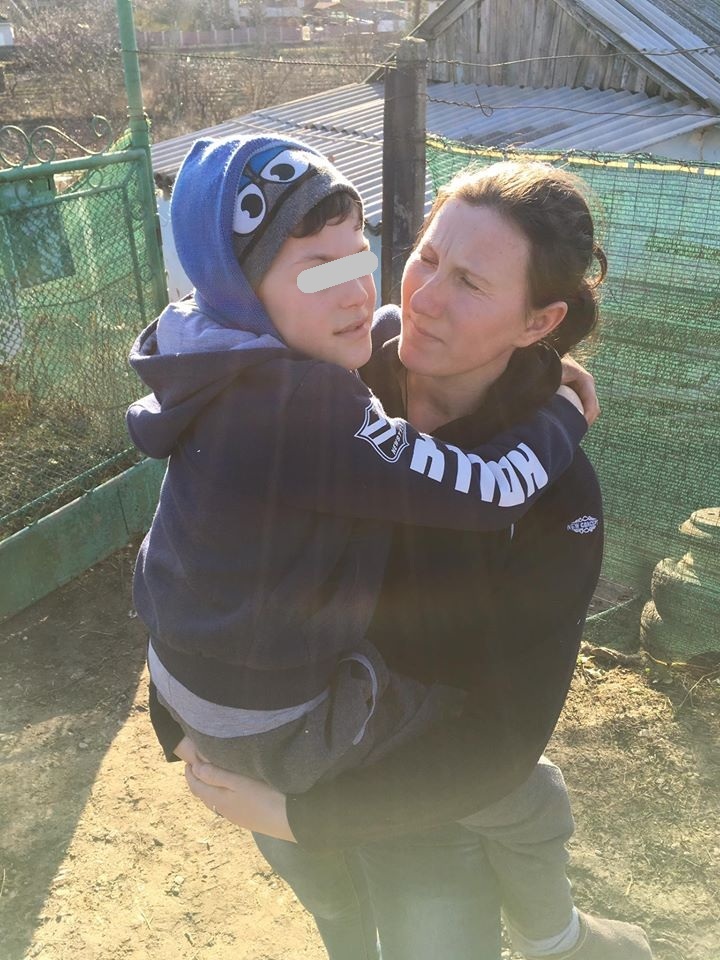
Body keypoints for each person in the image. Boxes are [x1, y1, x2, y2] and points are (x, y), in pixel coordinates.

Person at [173, 160, 654, 960]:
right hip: (282, 749)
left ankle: (565, 938)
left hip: (420, 797)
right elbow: (197, 527)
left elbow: (502, 739)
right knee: (336, 918)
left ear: (539, 321)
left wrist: (303, 817)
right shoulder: (328, 372)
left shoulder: (555, 491)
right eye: (427, 257)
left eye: (470, 282)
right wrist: (185, 716)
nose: (426, 296)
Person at [127, 133, 590, 799]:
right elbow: (490, 490)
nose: (358, 293)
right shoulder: (307, 402)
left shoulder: (214, 356)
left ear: (538, 322)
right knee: (506, 773)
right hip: (276, 720)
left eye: (358, 258)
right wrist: (563, 414)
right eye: (427, 260)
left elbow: (369, 320)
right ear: (238, 289)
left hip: (186, 677)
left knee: (526, 800)